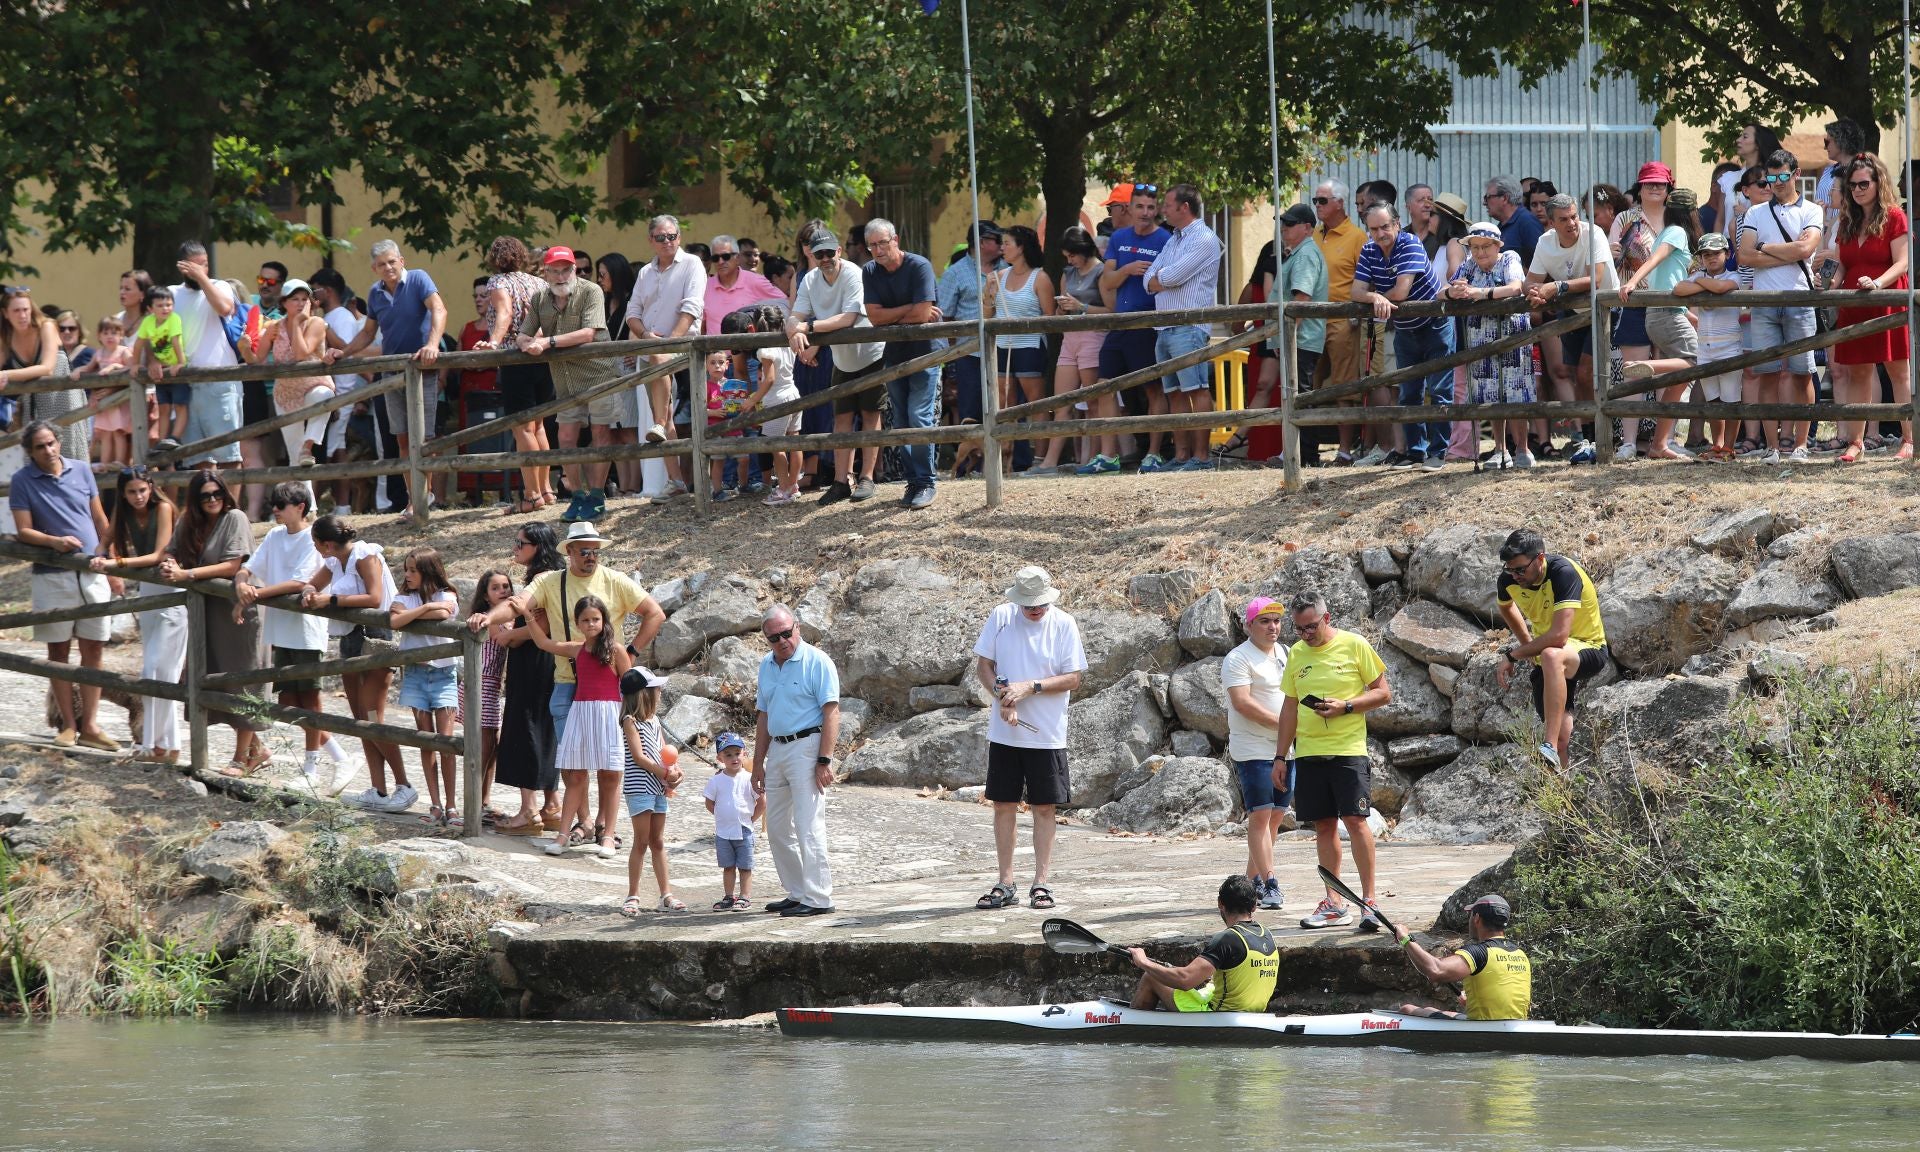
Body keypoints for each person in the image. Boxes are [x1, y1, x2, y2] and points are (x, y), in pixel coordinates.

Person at [475, 520, 665, 852]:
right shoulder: (550, 581)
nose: (591, 556)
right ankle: (585, 822)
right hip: (566, 684)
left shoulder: (615, 580)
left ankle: (605, 826)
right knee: (573, 765)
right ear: (570, 552)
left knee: (609, 764)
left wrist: (630, 653)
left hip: (607, 690)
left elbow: (655, 613)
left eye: (595, 551)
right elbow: (518, 603)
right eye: (584, 551)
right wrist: (489, 618)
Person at [971, 565, 1087, 912]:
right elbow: (984, 666)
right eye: (1029, 603)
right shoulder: (1001, 617)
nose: (1035, 609)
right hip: (1006, 733)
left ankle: (1041, 882)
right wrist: (1002, 697)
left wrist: (1029, 687)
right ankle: (1006, 883)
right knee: (1003, 804)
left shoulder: (1063, 623)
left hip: (1047, 734)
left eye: (1041, 603)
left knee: (1045, 806)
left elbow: (1073, 678)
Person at [1273, 591, 1391, 930]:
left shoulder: (1355, 644)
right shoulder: (1297, 653)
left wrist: (1347, 706)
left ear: (1327, 618)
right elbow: (1290, 707)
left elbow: (1383, 692)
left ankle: (1369, 902)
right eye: (1298, 628)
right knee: (1323, 826)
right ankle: (1334, 902)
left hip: (1348, 751)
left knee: (1355, 821)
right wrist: (1280, 756)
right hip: (1308, 753)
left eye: (1311, 626)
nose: (1305, 634)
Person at [234, 483, 350, 791]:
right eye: (273, 504)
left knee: (310, 699)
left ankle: (311, 768)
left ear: (300, 507)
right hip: (280, 629)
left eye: (281, 505)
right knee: (288, 701)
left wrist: (255, 594)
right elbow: (250, 566)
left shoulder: (313, 539)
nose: (275, 509)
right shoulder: (274, 536)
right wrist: (242, 583)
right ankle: (340, 756)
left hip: (305, 630)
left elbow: (300, 582)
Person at [10, 420, 115, 750]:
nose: (48, 450)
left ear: (59, 441)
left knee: (93, 648)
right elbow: (24, 530)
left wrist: (110, 560)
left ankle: (91, 725)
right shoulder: (22, 480)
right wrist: (54, 542)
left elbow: (100, 519)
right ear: (30, 452)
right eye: (40, 446)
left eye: (51, 442)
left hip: (92, 571)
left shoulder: (82, 470)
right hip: (51, 573)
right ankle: (68, 724)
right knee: (58, 650)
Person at [301, 515, 413, 812]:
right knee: (359, 718)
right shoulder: (334, 561)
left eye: (316, 543)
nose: (316, 548)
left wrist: (330, 600)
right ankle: (378, 789)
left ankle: (404, 785)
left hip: (375, 638)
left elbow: (375, 598)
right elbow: (312, 584)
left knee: (373, 717)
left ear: (327, 543)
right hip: (349, 639)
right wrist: (309, 593)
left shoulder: (365, 554)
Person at [159, 470, 267, 776]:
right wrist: (170, 563)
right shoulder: (189, 522)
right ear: (196, 499)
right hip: (208, 612)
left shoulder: (235, 518)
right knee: (218, 680)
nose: (212, 499)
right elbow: (170, 551)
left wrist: (187, 575)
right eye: (205, 495)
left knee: (243, 679)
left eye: (217, 493)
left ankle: (241, 758)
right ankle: (258, 750)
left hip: (239, 611)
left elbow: (234, 565)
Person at [330, 239, 447, 513]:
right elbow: (368, 333)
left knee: (424, 438)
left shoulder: (418, 279)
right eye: (382, 264)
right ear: (375, 268)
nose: (388, 267)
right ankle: (414, 499)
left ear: (401, 261)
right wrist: (343, 353)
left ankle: (425, 496)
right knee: (403, 438)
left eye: (392, 261)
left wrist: (432, 344)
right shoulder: (375, 293)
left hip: (421, 369)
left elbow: (439, 309)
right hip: (392, 372)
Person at [517, 245, 631, 522]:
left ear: (574, 270)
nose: (561, 276)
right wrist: (526, 343)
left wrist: (546, 342)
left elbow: (589, 333)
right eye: (555, 271)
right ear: (545, 273)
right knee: (566, 437)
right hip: (565, 379)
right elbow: (523, 333)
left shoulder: (591, 291)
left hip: (599, 374)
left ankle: (597, 497)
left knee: (601, 433)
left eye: (566, 270)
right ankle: (578, 496)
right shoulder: (539, 298)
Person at [752, 605, 841, 917]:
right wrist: (757, 763)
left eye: (786, 633)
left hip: (807, 746)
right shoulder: (766, 665)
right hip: (778, 747)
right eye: (774, 637)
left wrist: (824, 760)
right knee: (777, 827)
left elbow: (832, 712)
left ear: (797, 628)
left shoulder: (817, 661)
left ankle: (819, 898)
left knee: (808, 824)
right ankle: (798, 891)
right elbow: (763, 715)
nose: (782, 641)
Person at [1495, 529, 1610, 768]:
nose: (1515, 576)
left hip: (1588, 648)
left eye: (1520, 570)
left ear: (1540, 558)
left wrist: (1513, 655)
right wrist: (1526, 643)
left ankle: (1547, 746)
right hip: (1549, 660)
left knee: (1550, 654)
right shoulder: (1509, 579)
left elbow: (1559, 636)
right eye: (1509, 569)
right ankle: (1561, 779)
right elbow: (1505, 607)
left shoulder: (1563, 573)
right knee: (1562, 738)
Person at [92, 467, 184, 764]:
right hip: (148, 589)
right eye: (131, 492)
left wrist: (117, 563)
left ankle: (165, 744)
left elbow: (159, 554)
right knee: (151, 671)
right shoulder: (124, 511)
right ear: (123, 493)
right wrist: (100, 553)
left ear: (151, 487)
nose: (138, 496)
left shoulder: (164, 508)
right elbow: (106, 537)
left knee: (162, 670)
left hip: (172, 589)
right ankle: (157, 744)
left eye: (142, 490)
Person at [530, 592, 631, 859]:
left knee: (610, 776)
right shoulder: (577, 649)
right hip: (581, 714)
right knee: (575, 775)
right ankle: (563, 835)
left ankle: (608, 835)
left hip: (608, 715)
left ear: (604, 620)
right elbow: (544, 643)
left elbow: (630, 687)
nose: (591, 624)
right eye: (585, 620)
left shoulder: (617, 650)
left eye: (595, 619)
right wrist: (529, 618)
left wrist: (631, 722)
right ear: (577, 623)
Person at [1739, 148, 1824, 465]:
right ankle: (1772, 447)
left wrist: (1764, 247)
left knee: (1803, 375)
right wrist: (1788, 251)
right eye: (1770, 178)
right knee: (1767, 375)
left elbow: (1805, 249)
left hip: (1799, 301)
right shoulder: (1755, 213)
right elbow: (1744, 256)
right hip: (1764, 303)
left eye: (1782, 176)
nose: (1775, 183)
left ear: (1796, 174)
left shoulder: (1812, 210)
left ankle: (1800, 445)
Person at [1353, 202, 1451, 470]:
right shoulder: (1369, 249)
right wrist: (1374, 297)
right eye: (1374, 229)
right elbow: (1356, 291)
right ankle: (1415, 452)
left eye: (1385, 226)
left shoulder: (1410, 244)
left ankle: (1438, 452)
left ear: (1397, 224)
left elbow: (1401, 292)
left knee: (1440, 390)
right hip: (1405, 329)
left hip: (1435, 325)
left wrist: (1376, 296)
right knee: (1409, 392)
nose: (1380, 233)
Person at [787, 231, 884, 504]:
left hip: (870, 354)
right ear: (812, 255)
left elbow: (848, 318)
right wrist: (794, 331)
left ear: (839, 251)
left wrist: (806, 327)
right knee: (841, 418)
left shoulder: (854, 273)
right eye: (820, 254)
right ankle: (841, 481)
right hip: (842, 358)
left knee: (870, 414)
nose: (825, 258)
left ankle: (867, 478)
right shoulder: (810, 280)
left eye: (830, 252)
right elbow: (794, 316)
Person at [1525, 193, 1620, 465]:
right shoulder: (1545, 242)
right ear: (1552, 222)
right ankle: (1588, 438)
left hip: (1603, 308)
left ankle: (1601, 436)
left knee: (1587, 372)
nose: (1572, 223)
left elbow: (1595, 279)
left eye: (1574, 216)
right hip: (1572, 311)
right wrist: (1535, 292)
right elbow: (1530, 281)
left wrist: (1555, 287)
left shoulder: (1594, 233)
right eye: (1564, 219)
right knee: (1577, 375)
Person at [1831, 152, 1913, 462]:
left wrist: (1878, 283)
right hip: (1854, 302)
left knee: (1898, 371)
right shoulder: (1848, 219)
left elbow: (1903, 263)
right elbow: (1843, 264)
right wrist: (1831, 283)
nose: (1857, 190)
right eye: (1852, 185)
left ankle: (1909, 439)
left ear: (1879, 182)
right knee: (1858, 372)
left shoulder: (1894, 216)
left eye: (1863, 183)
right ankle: (1856, 441)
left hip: (1888, 300)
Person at [1616, 170, 1701, 461]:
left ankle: (1659, 444)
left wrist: (1692, 318)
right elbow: (1655, 260)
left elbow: (1667, 278)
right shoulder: (1676, 232)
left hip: (1666, 312)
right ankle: (1646, 366)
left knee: (1680, 377)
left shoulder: (1666, 231)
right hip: (1665, 313)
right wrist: (1630, 282)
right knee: (1697, 360)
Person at [862, 219, 942, 508]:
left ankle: (926, 481)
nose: (878, 250)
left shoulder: (919, 265)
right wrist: (913, 308)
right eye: (872, 245)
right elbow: (875, 317)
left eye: (882, 243)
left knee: (919, 416)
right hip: (895, 354)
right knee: (901, 421)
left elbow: (922, 316)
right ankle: (914, 481)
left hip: (926, 351)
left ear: (895, 240)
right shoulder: (870, 271)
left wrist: (898, 314)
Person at [1144, 184, 1223, 472]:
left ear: (1184, 207)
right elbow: (1148, 278)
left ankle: (1201, 457)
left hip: (1189, 327)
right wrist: (1159, 278)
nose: (1162, 209)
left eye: (1167, 204)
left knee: (1197, 389)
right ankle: (1181, 456)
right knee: (1175, 392)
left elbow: (1173, 276)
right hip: (1165, 327)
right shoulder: (1173, 239)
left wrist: (1159, 278)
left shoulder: (1204, 238)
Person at [489, 524, 562, 835]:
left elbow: (542, 625)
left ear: (538, 547)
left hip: (534, 660)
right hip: (548, 660)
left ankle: (528, 810)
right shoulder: (557, 576)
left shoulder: (542, 579)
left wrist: (510, 636)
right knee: (544, 729)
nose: (515, 548)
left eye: (521, 543)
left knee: (525, 727)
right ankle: (551, 805)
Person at [626, 214, 707, 486]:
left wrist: (670, 341)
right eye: (660, 237)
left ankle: (659, 424)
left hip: (684, 347)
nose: (667, 241)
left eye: (671, 236)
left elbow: (692, 307)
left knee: (670, 417)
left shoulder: (692, 263)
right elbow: (632, 313)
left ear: (679, 237)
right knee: (665, 414)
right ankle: (676, 482)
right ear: (651, 240)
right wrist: (646, 335)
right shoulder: (645, 272)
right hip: (650, 347)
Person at [1446, 222, 1535, 468]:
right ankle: (1499, 449)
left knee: (1516, 392)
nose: (1480, 252)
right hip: (1480, 338)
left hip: (1512, 336)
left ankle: (1523, 449)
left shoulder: (1509, 258)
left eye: (1485, 246)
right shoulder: (1469, 264)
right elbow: (1444, 290)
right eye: (1475, 247)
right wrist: (1454, 292)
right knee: (1490, 393)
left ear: (1497, 245)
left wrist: (1481, 293)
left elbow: (1516, 287)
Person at [1222, 598, 1292, 911]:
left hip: (1285, 748)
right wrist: (1285, 725)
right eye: (1264, 621)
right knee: (1260, 815)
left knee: (1275, 816)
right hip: (1253, 747)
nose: (1272, 627)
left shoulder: (1286, 653)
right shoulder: (1238, 658)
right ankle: (1270, 882)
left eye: (1276, 620)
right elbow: (1243, 703)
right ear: (1249, 625)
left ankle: (1251, 884)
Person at [1101, 187, 1178, 470]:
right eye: (1140, 207)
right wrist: (1127, 269)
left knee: (1153, 389)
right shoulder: (1118, 238)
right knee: (1104, 386)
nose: (1145, 213)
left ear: (1157, 210)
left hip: (1148, 324)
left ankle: (1154, 452)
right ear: (1129, 209)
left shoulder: (1165, 239)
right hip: (1119, 322)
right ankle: (1108, 456)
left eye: (1150, 207)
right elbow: (1107, 281)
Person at [1126, 875, 1279, 1013]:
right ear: (1254, 906)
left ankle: (1131, 1025)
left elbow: (1185, 980)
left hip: (1219, 1014)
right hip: (1254, 1012)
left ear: (1220, 903)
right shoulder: (1267, 934)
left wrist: (1144, 962)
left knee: (1151, 976)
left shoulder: (1227, 939)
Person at [479, 236, 554, 514]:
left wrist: (494, 342)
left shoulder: (498, 282)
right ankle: (546, 490)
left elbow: (505, 313)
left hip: (516, 359)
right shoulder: (539, 282)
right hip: (543, 357)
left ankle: (532, 495)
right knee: (539, 426)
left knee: (523, 429)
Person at [389, 547, 462, 825]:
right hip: (416, 675)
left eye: (413, 570)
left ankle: (452, 805)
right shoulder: (403, 597)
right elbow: (395, 620)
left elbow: (444, 613)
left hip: (443, 675)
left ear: (428, 571)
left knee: (445, 743)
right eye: (406, 570)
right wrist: (425, 608)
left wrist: (419, 611)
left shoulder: (447, 595)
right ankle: (435, 804)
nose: (407, 575)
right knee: (425, 741)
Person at [1309, 180, 1374, 466]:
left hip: (1343, 320)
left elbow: (1367, 277)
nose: (1317, 206)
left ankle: (1345, 450)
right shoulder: (1313, 234)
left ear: (1339, 203)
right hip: (1311, 320)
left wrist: (1357, 313)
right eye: (1315, 200)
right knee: (1306, 385)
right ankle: (1304, 448)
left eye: (1323, 200)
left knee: (1344, 386)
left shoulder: (1357, 236)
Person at [165, 242, 244, 471]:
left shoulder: (220, 286)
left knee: (228, 456)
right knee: (197, 459)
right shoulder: (172, 294)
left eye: (205, 264)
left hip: (219, 382)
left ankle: (230, 497)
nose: (202, 269)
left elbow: (225, 308)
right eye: (196, 265)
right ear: (182, 266)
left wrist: (201, 278)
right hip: (185, 384)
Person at [987, 225, 1057, 476]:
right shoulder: (998, 276)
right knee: (1005, 404)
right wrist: (989, 294)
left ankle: (1040, 460)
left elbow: (1050, 317)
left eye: (1007, 243)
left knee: (1036, 404)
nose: (1002, 248)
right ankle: (1007, 461)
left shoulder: (1040, 278)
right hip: (1002, 346)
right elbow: (988, 314)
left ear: (1021, 247)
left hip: (1030, 345)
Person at [1394, 893, 1531, 1020]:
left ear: (1477, 918)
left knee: (1407, 1009)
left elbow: (1435, 970)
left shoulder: (1479, 952)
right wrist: (1472, 999)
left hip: (1484, 1029)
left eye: (1471, 915)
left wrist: (1405, 939)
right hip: (1513, 1026)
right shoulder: (1520, 954)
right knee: (1429, 1009)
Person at [616, 665, 684, 914]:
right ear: (642, 693)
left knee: (658, 841)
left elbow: (665, 751)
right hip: (640, 788)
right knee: (641, 841)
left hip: (657, 787)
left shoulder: (654, 720)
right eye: (655, 688)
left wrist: (675, 770)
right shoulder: (630, 721)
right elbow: (639, 757)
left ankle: (666, 894)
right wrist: (664, 773)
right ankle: (633, 895)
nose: (659, 692)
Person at [941, 221, 1005, 478]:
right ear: (981, 242)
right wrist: (953, 355)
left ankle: (1012, 461)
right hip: (969, 353)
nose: (1002, 245)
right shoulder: (954, 274)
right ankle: (968, 466)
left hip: (1004, 349)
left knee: (1006, 406)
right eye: (997, 240)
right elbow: (945, 317)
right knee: (970, 409)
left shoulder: (1008, 269)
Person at [722, 304, 802, 505]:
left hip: (777, 399)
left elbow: (770, 379)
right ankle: (793, 485)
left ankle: (783, 489)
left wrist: (753, 399)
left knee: (776, 446)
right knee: (796, 442)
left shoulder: (764, 350)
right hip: (793, 393)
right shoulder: (787, 342)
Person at [3, 288, 89, 464]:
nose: (22, 315)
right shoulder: (6, 337)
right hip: (32, 406)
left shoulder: (46, 326)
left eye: (25, 309)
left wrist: (6, 374)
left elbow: (47, 368)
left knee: (70, 457)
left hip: (63, 400)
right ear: (5, 313)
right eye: (16, 310)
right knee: (35, 461)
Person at [461, 570, 513, 827]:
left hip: (492, 685)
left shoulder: (505, 618)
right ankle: (473, 803)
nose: (503, 591)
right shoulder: (490, 619)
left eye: (506, 586)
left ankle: (483, 801)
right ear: (485, 594)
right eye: (496, 588)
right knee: (483, 747)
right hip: (481, 683)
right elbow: (505, 641)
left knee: (492, 748)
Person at [704, 730, 764, 911]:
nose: (734, 758)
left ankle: (745, 897)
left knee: (745, 866)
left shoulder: (749, 779)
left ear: (744, 754)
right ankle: (729, 897)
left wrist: (751, 819)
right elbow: (709, 802)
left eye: (737, 753)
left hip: (744, 830)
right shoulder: (716, 780)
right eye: (728, 755)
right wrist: (722, 816)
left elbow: (762, 802)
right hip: (723, 832)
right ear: (720, 758)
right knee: (728, 866)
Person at [1483, 176, 1542, 266]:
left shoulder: (1527, 222)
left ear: (1505, 198)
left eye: (1488, 197)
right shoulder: (1502, 225)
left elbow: (1541, 263)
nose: (1484, 203)